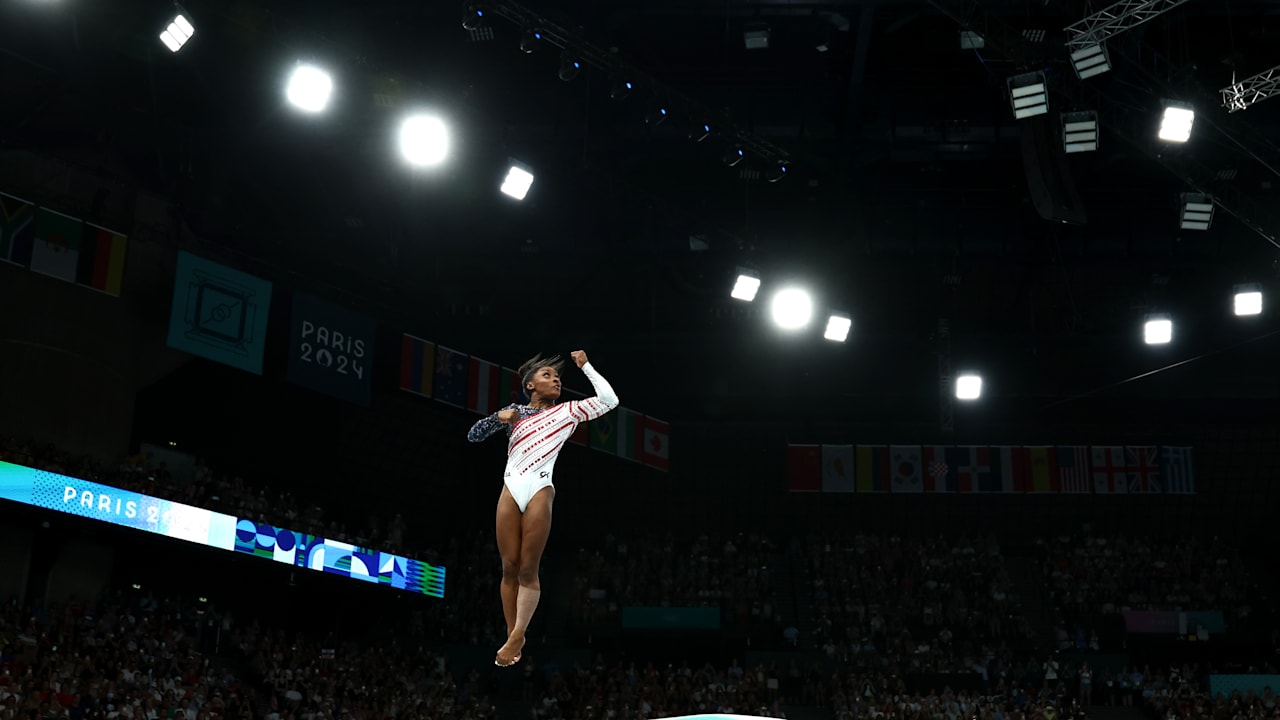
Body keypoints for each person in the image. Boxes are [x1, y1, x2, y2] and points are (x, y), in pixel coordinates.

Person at [467, 349, 619, 666]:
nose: (557, 379)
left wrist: (587, 367)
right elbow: (473, 436)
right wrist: (496, 418)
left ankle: (519, 633)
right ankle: (514, 638)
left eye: (558, 376)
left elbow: (609, 400)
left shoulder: (568, 412)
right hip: (510, 487)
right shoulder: (515, 412)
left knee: (526, 568)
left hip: (539, 487)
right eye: (547, 375)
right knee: (508, 567)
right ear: (530, 386)